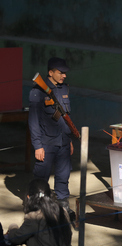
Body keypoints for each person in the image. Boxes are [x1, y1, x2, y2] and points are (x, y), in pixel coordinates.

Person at [28, 57, 75, 221]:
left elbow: (65, 117)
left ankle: (62, 209)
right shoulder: (38, 91)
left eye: (64, 72)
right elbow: (33, 121)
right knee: (41, 180)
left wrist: (69, 140)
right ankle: (36, 210)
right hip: (46, 143)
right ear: (50, 72)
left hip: (62, 143)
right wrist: (37, 145)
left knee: (63, 178)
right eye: (60, 72)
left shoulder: (63, 89)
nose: (64, 76)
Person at [6, 178, 72, 246]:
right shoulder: (63, 211)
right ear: (50, 195)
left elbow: (16, 238)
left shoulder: (34, 217)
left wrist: (13, 227)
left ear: (28, 197)